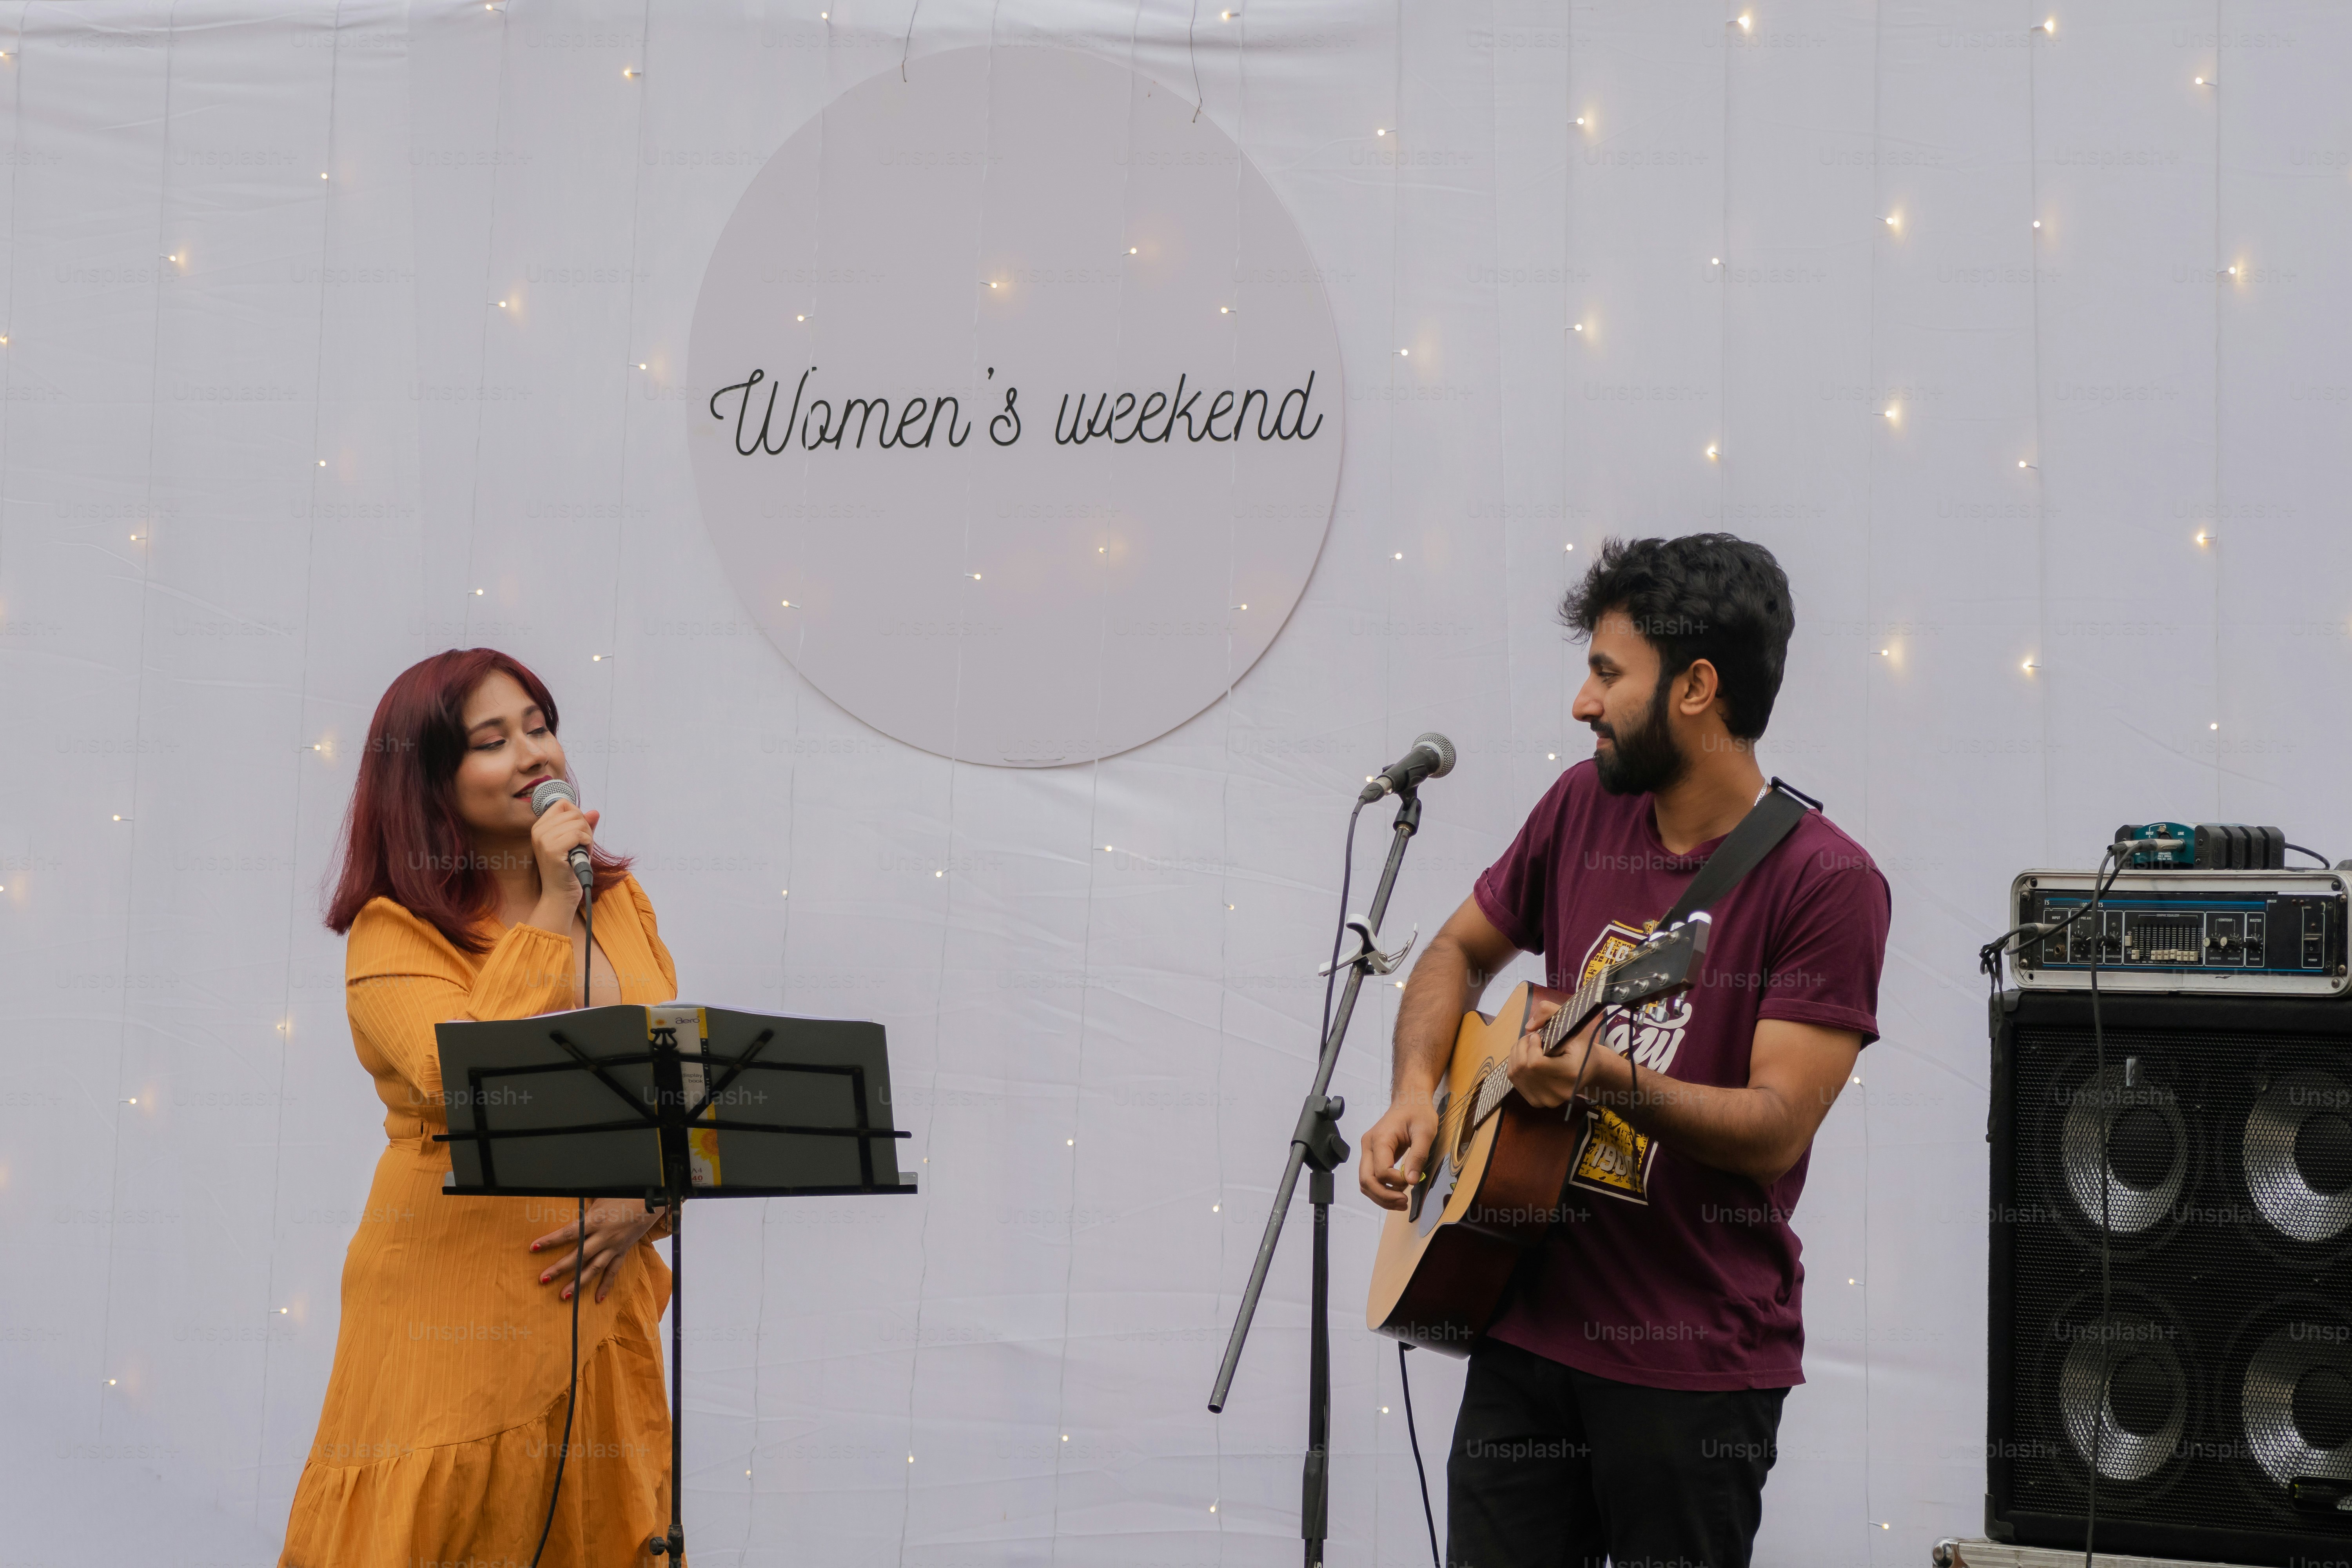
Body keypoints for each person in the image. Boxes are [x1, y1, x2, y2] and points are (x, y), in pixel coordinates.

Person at [1357, 534, 1891, 1568]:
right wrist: (1417, 1092)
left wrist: (1605, 1076)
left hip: (1691, 1375)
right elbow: (1455, 956)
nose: (1582, 703)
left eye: (1608, 674)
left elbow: (1777, 1129)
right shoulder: (1580, 807)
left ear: (1696, 687)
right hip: (1520, 1329)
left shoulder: (1827, 884)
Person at [281, 649, 679, 1568]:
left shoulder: (623, 905)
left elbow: (671, 1093)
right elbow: (465, 1082)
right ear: (429, 782)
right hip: (450, 1310)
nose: (534, 754)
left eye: (539, 726)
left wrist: (647, 1201)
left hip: (597, 1305)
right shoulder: (394, 930)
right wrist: (549, 905)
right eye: (493, 741)